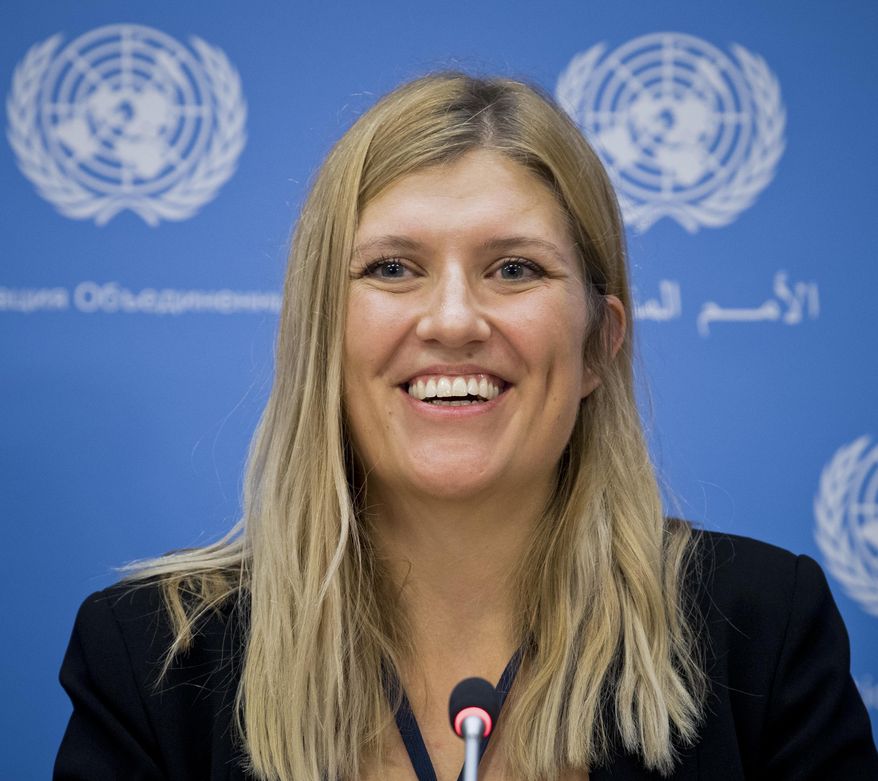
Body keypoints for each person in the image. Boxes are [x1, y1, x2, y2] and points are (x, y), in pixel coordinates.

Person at [54, 73, 877, 781]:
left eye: (514, 268)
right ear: (319, 338)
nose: (453, 319)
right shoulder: (152, 655)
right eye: (392, 268)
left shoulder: (763, 632)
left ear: (599, 343)